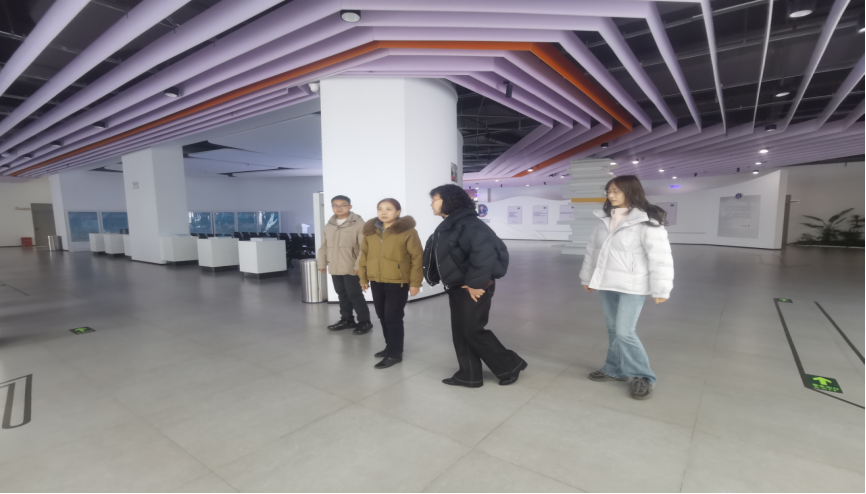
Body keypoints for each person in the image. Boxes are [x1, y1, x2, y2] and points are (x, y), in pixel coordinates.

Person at [423, 184, 527, 388]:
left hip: (472, 286)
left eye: (434, 199)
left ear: (449, 200)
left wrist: (475, 284)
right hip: (458, 285)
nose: (431, 204)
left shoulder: (469, 224)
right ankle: (469, 374)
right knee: (461, 331)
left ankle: (510, 364)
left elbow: (484, 255)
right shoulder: (451, 224)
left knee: (472, 330)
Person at [580, 175, 674, 401]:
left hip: (633, 285)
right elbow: (593, 250)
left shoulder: (647, 221)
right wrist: (588, 277)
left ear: (630, 191)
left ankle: (643, 376)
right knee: (613, 330)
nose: (610, 195)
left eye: (616, 191)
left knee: (625, 332)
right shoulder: (604, 219)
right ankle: (614, 369)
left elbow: (660, 257)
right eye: (608, 191)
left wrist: (661, 289)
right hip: (606, 283)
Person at [358, 199, 424, 369]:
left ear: (398, 211)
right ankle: (390, 346)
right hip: (376, 280)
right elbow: (363, 255)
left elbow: (417, 257)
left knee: (393, 317)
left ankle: (395, 354)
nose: (383, 212)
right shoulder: (370, 232)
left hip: (398, 281)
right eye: (380, 209)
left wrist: (415, 283)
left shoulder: (408, 232)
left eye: (389, 209)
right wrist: (363, 279)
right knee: (381, 315)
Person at [317, 195, 373, 335]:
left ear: (350, 207)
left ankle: (365, 322)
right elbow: (323, 246)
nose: (339, 208)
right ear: (332, 207)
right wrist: (322, 262)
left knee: (354, 294)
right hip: (335, 266)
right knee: (341, 294)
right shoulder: (328, 226)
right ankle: (347, 320)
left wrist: (359, 266)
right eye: (335, 205)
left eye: (343, 205)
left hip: (351, 266)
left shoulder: (359, 224)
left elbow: (364, 248)